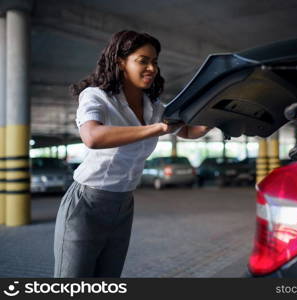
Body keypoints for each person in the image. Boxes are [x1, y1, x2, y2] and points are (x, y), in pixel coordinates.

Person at [53, 30, 211, 278]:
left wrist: (221, 114)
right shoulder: (96, 96)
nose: (152, 68)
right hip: (87, 204)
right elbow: (93, 137)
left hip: (123, 205)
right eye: (143, 60)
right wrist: (156, 128)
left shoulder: (154, 106)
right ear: (120, 62)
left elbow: (189, 131)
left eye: (155, 62)